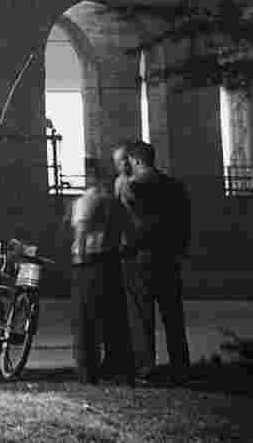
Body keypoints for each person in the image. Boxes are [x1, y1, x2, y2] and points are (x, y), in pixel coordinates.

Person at [113, 139, 193, 382]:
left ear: (136, 160)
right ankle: (181, 367)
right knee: (173, 315)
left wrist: (122, 179)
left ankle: (145, 368)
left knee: (141, 316)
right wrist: (180, 250)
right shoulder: (174, 186)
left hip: (138, 257)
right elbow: (185, 222)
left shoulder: (130, 186)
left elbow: (121, 219)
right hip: (169, 258)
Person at [70, 157, 132, 384]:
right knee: (114, 319)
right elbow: (128, 235)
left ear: (89, 176)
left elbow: (82, 236)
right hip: (112, 261)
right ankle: (120, 369)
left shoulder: (87, 201)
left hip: (89, 264)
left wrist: (78, 257)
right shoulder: (116, 203)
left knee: (85, 320)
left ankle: (88, 371)